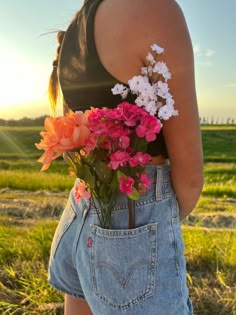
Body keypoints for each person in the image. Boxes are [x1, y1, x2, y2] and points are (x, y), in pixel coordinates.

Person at [47, 0, 204, 314]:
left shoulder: (81, 22)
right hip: (131, 228)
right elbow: (190, 177)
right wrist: (146, 225)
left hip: (79, 213)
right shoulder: (156, 9)